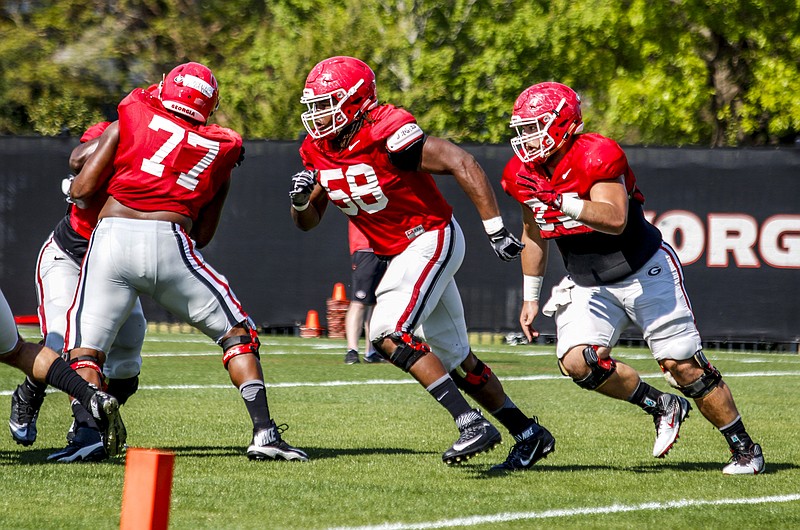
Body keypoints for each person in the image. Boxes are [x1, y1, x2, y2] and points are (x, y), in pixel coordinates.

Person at [291, 56, 554, 470]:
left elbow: (460, 161)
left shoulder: (387, 129)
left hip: (429, 236)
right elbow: (308, 222)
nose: (318, 114)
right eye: (314, 105)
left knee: (387, 331)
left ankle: (470, 423)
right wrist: (300, 200)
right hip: (398, 251)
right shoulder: (318, 148)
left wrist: (494, 228)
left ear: (357, 100)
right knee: (456, 359)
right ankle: (528, 433)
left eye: (328, 103)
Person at [502, 81, 764, 475]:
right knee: (578, 363)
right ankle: (660, 405)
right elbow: (534, 232)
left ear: (562, 124)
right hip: (586, 282)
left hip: (643, 270)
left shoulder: (597, 153)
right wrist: (531, 295)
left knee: (683, 366)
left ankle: (745, 448)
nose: (527, 138)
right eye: (522, 129)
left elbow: (614, 218)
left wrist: (560, 200)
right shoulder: (520, 172)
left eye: (535, 126)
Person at [62, 61, 307, 462]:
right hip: (170, 238)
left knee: (86, 349)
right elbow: (204, 235)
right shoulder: (225, 146)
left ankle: (86, 435)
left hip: (111, 236)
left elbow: (85, 183)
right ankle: (264, 431)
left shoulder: (136, 107)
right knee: (236, 333)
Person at [9, 122, 147, 463]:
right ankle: (70, 419)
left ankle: (93, 415)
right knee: (64, 344)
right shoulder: (103, 153)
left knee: (128, 361)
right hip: (69, 257)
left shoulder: (159, 163)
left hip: (113, 269)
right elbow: (80, 173)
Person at [0, 287, 124, 458]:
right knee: (22, 350)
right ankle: (90, 400)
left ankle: (87, 400)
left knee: (127, 367)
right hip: (68, 262)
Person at [344, 220, 387, 364]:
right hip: (366, 248)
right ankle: (352, 350)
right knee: (359, 302)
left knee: (377, 302)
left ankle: (371, 351)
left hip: (386, 247)